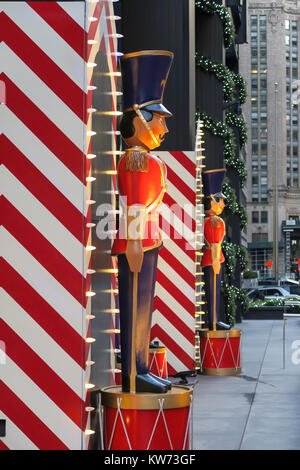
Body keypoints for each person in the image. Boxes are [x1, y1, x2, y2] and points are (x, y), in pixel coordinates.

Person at [111, 50, 174, 393]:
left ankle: (141, 368)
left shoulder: (145, 160)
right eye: (157, 118)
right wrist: (134, 242)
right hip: (137, 243)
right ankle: (134, 375)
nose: (164, 127)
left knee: (142, 309)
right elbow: (132, 205)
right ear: (138, 120)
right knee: (135, 308)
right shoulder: (135, 159)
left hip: (148, 241)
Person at [201, 169, 230, 331]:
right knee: (213, 292)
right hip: (214, 259)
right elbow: (216, 244)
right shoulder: (216, 222)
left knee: (212, 292)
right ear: (212, 201)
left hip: (209, 258)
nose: (223, 204)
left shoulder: (206, 221)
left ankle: (213, 320)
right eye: (220, 200)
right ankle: (214, 321)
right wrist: (215, 262)